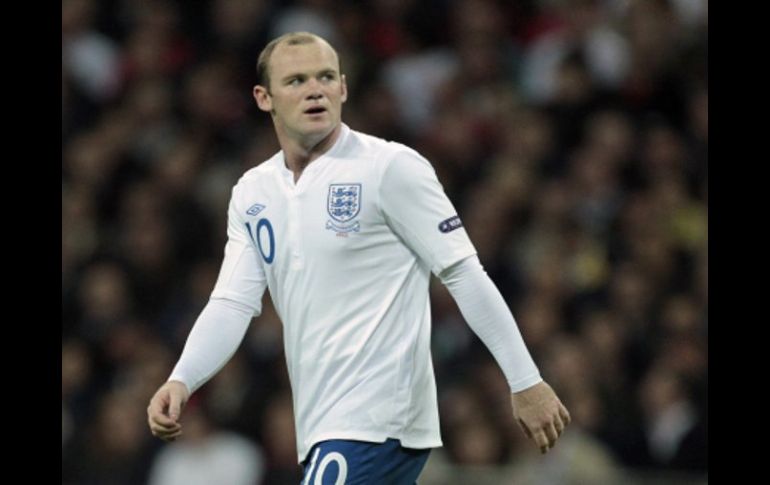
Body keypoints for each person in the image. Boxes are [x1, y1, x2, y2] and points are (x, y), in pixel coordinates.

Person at [147, 31, 571, 484]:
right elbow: (232, 302)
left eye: (326, 77)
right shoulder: (253, 192)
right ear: (263, 98)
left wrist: (525, 379)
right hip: (320, 424)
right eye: (295, 81)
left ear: (343, 88)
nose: (315, 89)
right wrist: (183, 379)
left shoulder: (390, 168)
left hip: (379, 417)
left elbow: (463, 272)